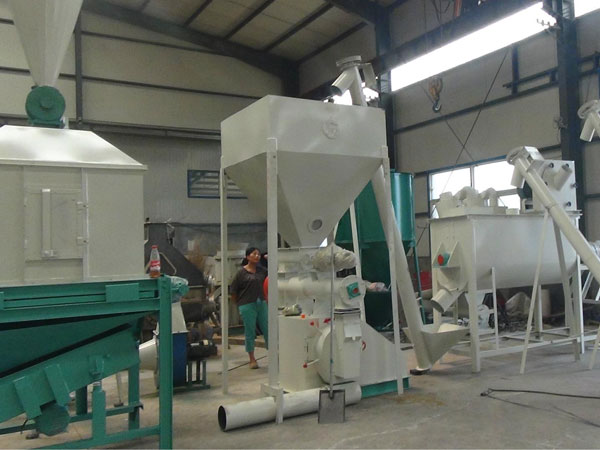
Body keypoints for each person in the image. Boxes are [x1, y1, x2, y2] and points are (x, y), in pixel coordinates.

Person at [230, 247, 268, 369]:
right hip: (247, 304)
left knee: (268, 329)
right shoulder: (241, 273)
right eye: (254, 254)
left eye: (258, 254)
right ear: (247, 257)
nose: (257, 256)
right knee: (250, 331)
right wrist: (240, 304)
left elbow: (270, 281)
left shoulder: (262, 271)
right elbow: (233, 291)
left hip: (261, 303)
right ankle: (252, 358)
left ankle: (273, 355)